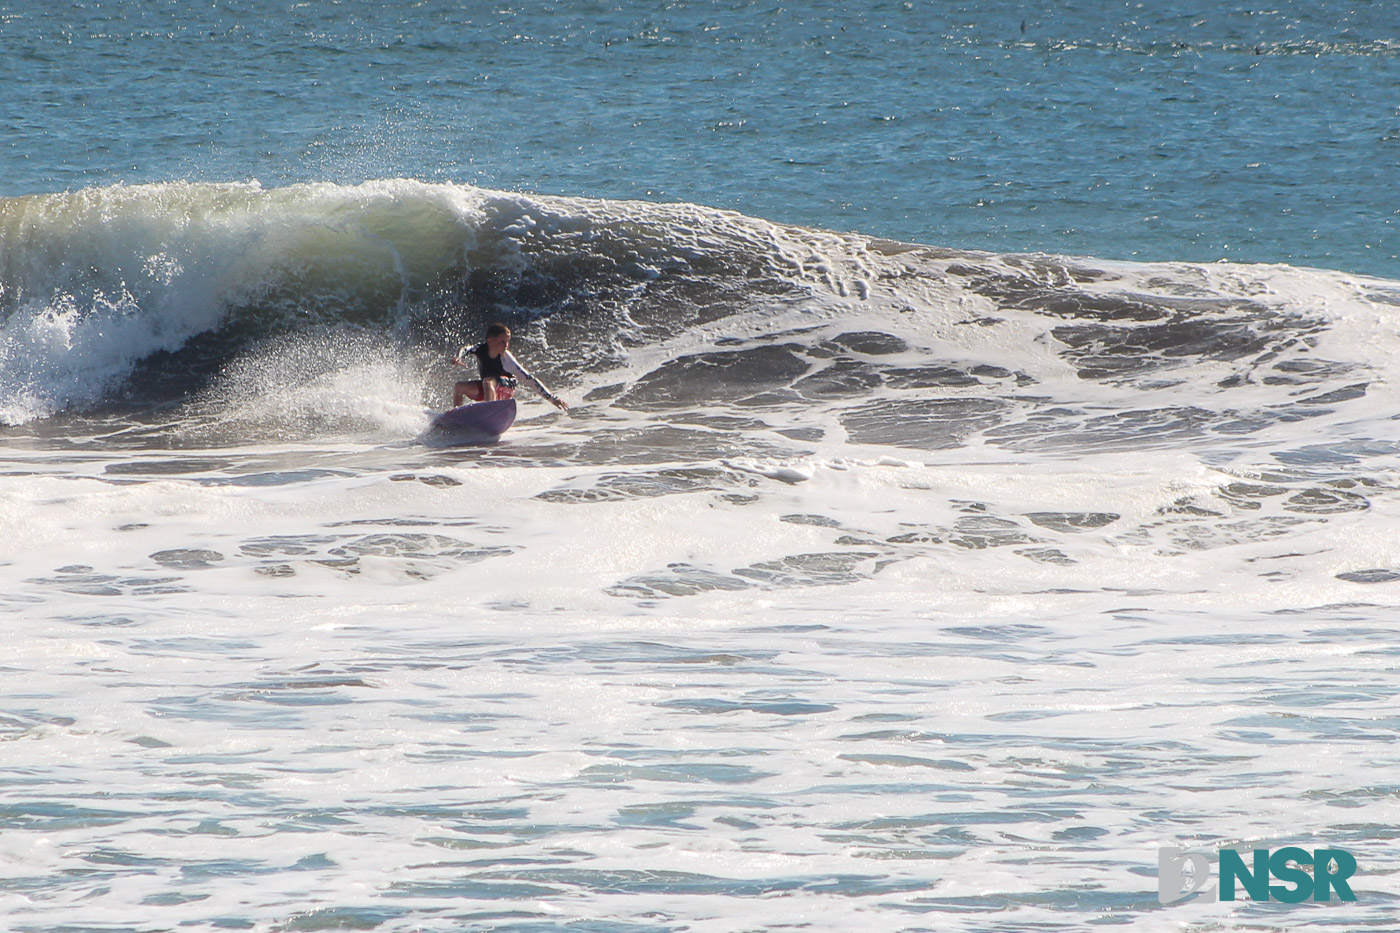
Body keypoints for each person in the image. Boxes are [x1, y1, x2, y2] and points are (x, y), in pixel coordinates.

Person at [451, 323, 569, 410]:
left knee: (488, 381)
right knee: (459, 386)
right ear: (490, 341)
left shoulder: (507, 358)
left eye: (508, 341)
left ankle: (490, 411)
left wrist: (552, 398)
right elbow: (466, 349)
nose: (506, 345)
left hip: (507, 387)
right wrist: (458, 357)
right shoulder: (480, 349)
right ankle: (456, 416)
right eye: (502, 341)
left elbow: (529, 378)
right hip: (489, 389)